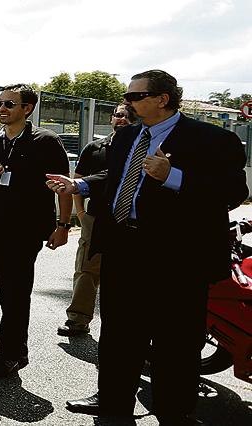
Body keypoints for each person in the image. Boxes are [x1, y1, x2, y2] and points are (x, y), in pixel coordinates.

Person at [49, 70, 247, 424]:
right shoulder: (128, 136)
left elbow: (232, 192)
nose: (127, 102)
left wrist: (173, 176)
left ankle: (174, 414)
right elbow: (118, 176)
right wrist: (80, 185)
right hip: (124, 247)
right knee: (119, 336)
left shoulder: (213, 139)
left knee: (176, 342)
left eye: (135, 96)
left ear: (162, 99)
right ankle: (113, 407)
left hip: (179, 258)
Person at [0, 83, 71, 378]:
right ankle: (16, 348)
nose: (1, 109)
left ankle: (8, 355)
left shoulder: (46, 141)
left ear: (27, 109)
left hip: (27, 229)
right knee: (6, 291)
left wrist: (63, 225)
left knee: (16, 291)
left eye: (9, 104)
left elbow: (63, 186)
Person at [59, 103, 133, 337]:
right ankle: (77, 319)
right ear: (111, 118)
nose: (122, 119)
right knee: (86, 268)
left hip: (129, 221)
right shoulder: (94, 148)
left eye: (128, 116)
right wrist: (81, 214)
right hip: (96, 217)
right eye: (118, 115)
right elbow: (78, 181)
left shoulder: (141, 148)